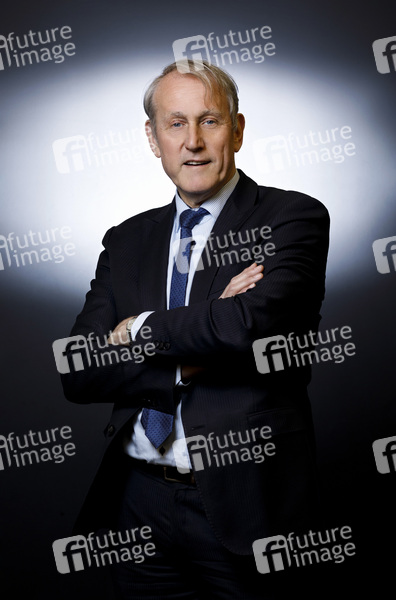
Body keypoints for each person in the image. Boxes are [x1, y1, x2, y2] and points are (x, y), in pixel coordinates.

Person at [60, 59, 330, 599]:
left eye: (210, 120)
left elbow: (243, 328)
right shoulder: (126, 240)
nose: (193, 142)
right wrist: (192, 350)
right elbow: (79, 371)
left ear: (238, 129)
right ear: (153, 137)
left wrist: (137, 328)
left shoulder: (291, 218)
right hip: (138, 501)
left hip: (246, 504)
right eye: (176, 123)